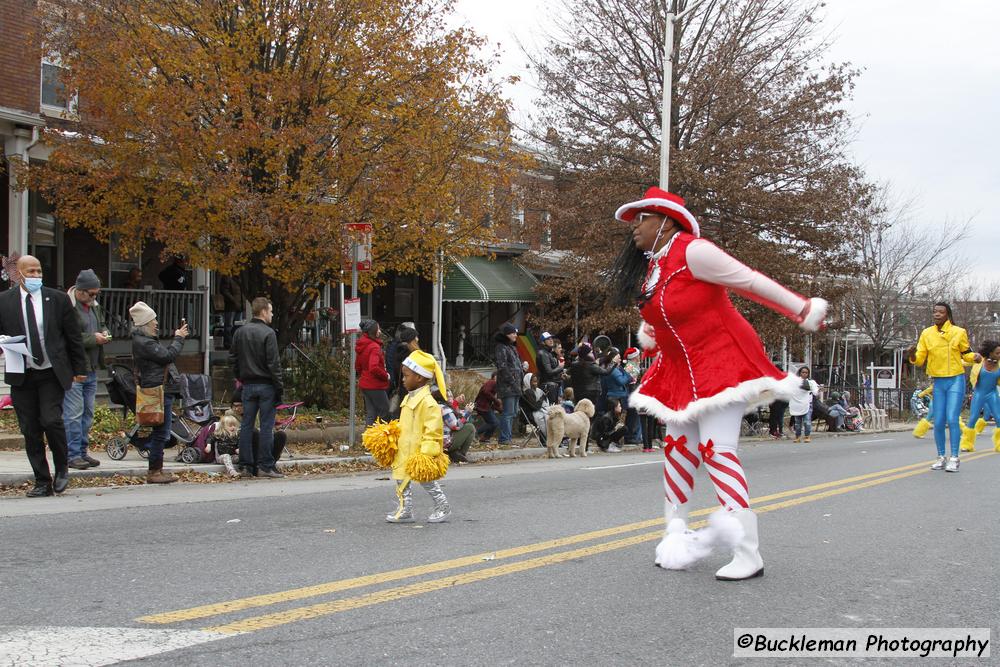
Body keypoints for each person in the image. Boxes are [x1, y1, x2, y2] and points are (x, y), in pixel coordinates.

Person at [610, 186, 827, 580]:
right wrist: (652, 330)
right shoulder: (654, 265)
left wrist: (801, 308)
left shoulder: (694, 251)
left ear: (665, 221)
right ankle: (675, 535)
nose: (634, 227)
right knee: (676, 449)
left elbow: (749, 281)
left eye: (642, 218)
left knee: (717, 450)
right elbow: (666, 312)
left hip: (721, 362)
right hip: (680, 371)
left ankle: (748, 552)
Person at [0, 255, 87, 497]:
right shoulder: (4, 301)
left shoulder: (57, 299)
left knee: (51, 420)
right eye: (31, 271)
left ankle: (62, 469)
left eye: (39, 271)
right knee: (30, 429)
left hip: (51, 372)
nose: (36, 276)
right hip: (22, 374)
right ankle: (42, 480)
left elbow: (73, 337)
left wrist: (79, 370)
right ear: (18, 273)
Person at [907, 302, 978, 472]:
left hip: (955, 379)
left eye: (941, 312)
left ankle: (954, 457)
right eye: (935, 311)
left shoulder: (958, 332)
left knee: (952, 418)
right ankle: (940, 456)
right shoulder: (926, 334)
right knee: (938, 421)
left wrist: (974, 356)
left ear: (947, 315)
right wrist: (912, 355)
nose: (937, 314)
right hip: (938, 381)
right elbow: (920, 359)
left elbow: (966, 352)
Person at [386, 350, 451, 523]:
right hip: (403, 449)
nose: (403, 379)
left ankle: (442, 506)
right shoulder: (408, 398)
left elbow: (433, 430)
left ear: (420, 378)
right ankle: (405, 509)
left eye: (406, 375)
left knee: (427, 480)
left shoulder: (428, 403)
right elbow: (404, 424)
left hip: (418, 452)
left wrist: (427, 453)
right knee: (400, 479)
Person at [130, 301, 188, 484]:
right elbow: (167, 356)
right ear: (145, 324)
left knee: (161, 431)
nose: (156, 324)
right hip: (157, 389)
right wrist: (178, 338)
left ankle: (157, 469)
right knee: (160, 432)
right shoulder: (145, 343)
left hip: (158, 388)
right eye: (153, 321)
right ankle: (154, 471)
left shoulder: (145, 340)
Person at [230, 296, 284, 478]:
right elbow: (274, 364)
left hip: (248, 384)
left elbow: (233, 359)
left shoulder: (240, 332)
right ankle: (265, 465)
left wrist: (240, 376)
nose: (272, 314)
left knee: (246, 425)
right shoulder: (268, 334)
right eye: (270, 310)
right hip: (266, 384)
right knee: (267, 425)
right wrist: (279, 387)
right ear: (263, 312)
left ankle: (245, 465)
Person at [63, 270, 111, 469]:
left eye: (96, 294)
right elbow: (68, 336)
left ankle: (83, 451)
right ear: (79, 290)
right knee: (73, 413)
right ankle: (71, 454)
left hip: (91, 368)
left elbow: (102, 325)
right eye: (91, 294)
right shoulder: (68, 307)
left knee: (87, 413)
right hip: (74, 368)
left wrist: (105, 333)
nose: (94, 297)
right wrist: (94, 339)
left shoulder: (94, 307)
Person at [229, 385, 287, 474]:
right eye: (234, 406)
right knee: (253, 432)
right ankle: (252, 466)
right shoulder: (229, 415)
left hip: (261, 444)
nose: (237, 408)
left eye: (240, 405)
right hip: (243, 447)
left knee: (280, 435)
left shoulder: (256, 413)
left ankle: (270, 465)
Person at [960, 340, 1000, 453]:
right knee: (973, 418)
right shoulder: (979, 361)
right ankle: (967, 444)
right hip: (979, 393)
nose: (999, 355)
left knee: (999, 418)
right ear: (990, 353)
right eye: (997, 353)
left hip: (992, 394)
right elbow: (963, 362)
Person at [494, 323, 524, 447]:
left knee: (513, 413)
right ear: (507, 334)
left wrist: (523, 368)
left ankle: (508, 437)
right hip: (508, 386)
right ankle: (504, 438)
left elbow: (515, 365)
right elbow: (502, 367)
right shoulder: (501, 347)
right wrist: (512, 380)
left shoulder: (512, 347)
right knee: (508, 412)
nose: (515, 335)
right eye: (513, 333)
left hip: (516, 385)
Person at [356, 319, 390, 425]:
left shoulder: (363, 345)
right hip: (375, 385)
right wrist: (386, 376)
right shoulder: (375, 347)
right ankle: (382, 438)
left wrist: (363, 375)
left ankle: (368, 439)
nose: (380, 331)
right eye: (378, 329)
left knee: (372, 413)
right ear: (374, 331)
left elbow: (357, 365)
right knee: (384, 412)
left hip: (365, 383)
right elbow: (374, 367)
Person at [388, 324, 419, 417]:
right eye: (416, 337)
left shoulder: (398, 351)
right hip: (411, 389)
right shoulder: (411, 354)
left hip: (403, 387)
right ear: (412, 340)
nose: (418, 339)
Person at [568, 343, 611, 408]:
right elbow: (606, 372)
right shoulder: (590, 365)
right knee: (590, 412)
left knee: (580, 411)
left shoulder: (574, 365)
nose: (592, 354)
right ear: (586, 355)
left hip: (578, 392)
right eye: (590, 352)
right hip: (591, 393)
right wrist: (613, 363)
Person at [439, 391, 475, 464]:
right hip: (444, 443)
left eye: (451, 396)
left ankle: (455, 453)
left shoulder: (438, 405)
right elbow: (456, 426)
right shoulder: (445, 409)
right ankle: (460, 454)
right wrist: (467, 412)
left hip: (436, 441)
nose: (450, 398)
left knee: (466, 425)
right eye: (448, 396)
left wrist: (465, 411)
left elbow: (457, 415)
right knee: (470, 427)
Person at [788, 366, 819, 443]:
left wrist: (815, 390)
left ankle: (807, 436)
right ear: (800, 373)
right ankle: (798, 436)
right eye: (803, 372)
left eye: (806, 372)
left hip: (808, 404)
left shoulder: (811, 382)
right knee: (797, 423)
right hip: (797, 404)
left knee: (807, 421)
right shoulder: (795, 382)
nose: (804, 374)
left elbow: (815, 391)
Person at [520, 373, 549, 445]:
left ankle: (549, 440)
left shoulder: (537, 390)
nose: (536, 384)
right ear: (528, 382)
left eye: (536, 381)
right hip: (530, 414)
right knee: (547, 418)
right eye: (534, 382)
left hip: (537, 412)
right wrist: (542, 397)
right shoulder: (528, 392)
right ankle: (547, 440)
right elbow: (535, 407)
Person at [535, 331, 564, 405]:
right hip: (548, 386)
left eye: (551, 338)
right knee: (550, 409)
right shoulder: (543, 353)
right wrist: (560, 367)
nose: (551, 340)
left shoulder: (548, 353)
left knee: (553, 408)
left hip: (552, 385)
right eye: (548, 339)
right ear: (543, 342)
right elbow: (549, 372)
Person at [473, 371, 502, 442]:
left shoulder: (494, 384)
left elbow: (490, 400)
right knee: (494, 423)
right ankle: (475, 433)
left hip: (485, 407)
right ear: (494, 377)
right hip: (482, 407)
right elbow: (486, 392)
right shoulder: (492, 382)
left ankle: (485, 438)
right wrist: (496, 401)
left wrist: (499, 409)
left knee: (492, 423)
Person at [218, 274, 243, 349]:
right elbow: (224, 290)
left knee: (238, 326)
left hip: (239, 306)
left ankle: (236, 344)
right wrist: (233, 300)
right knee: (229, 326)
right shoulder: (227, 276)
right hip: (231, 306)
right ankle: (228, 344)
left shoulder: (240, 278)